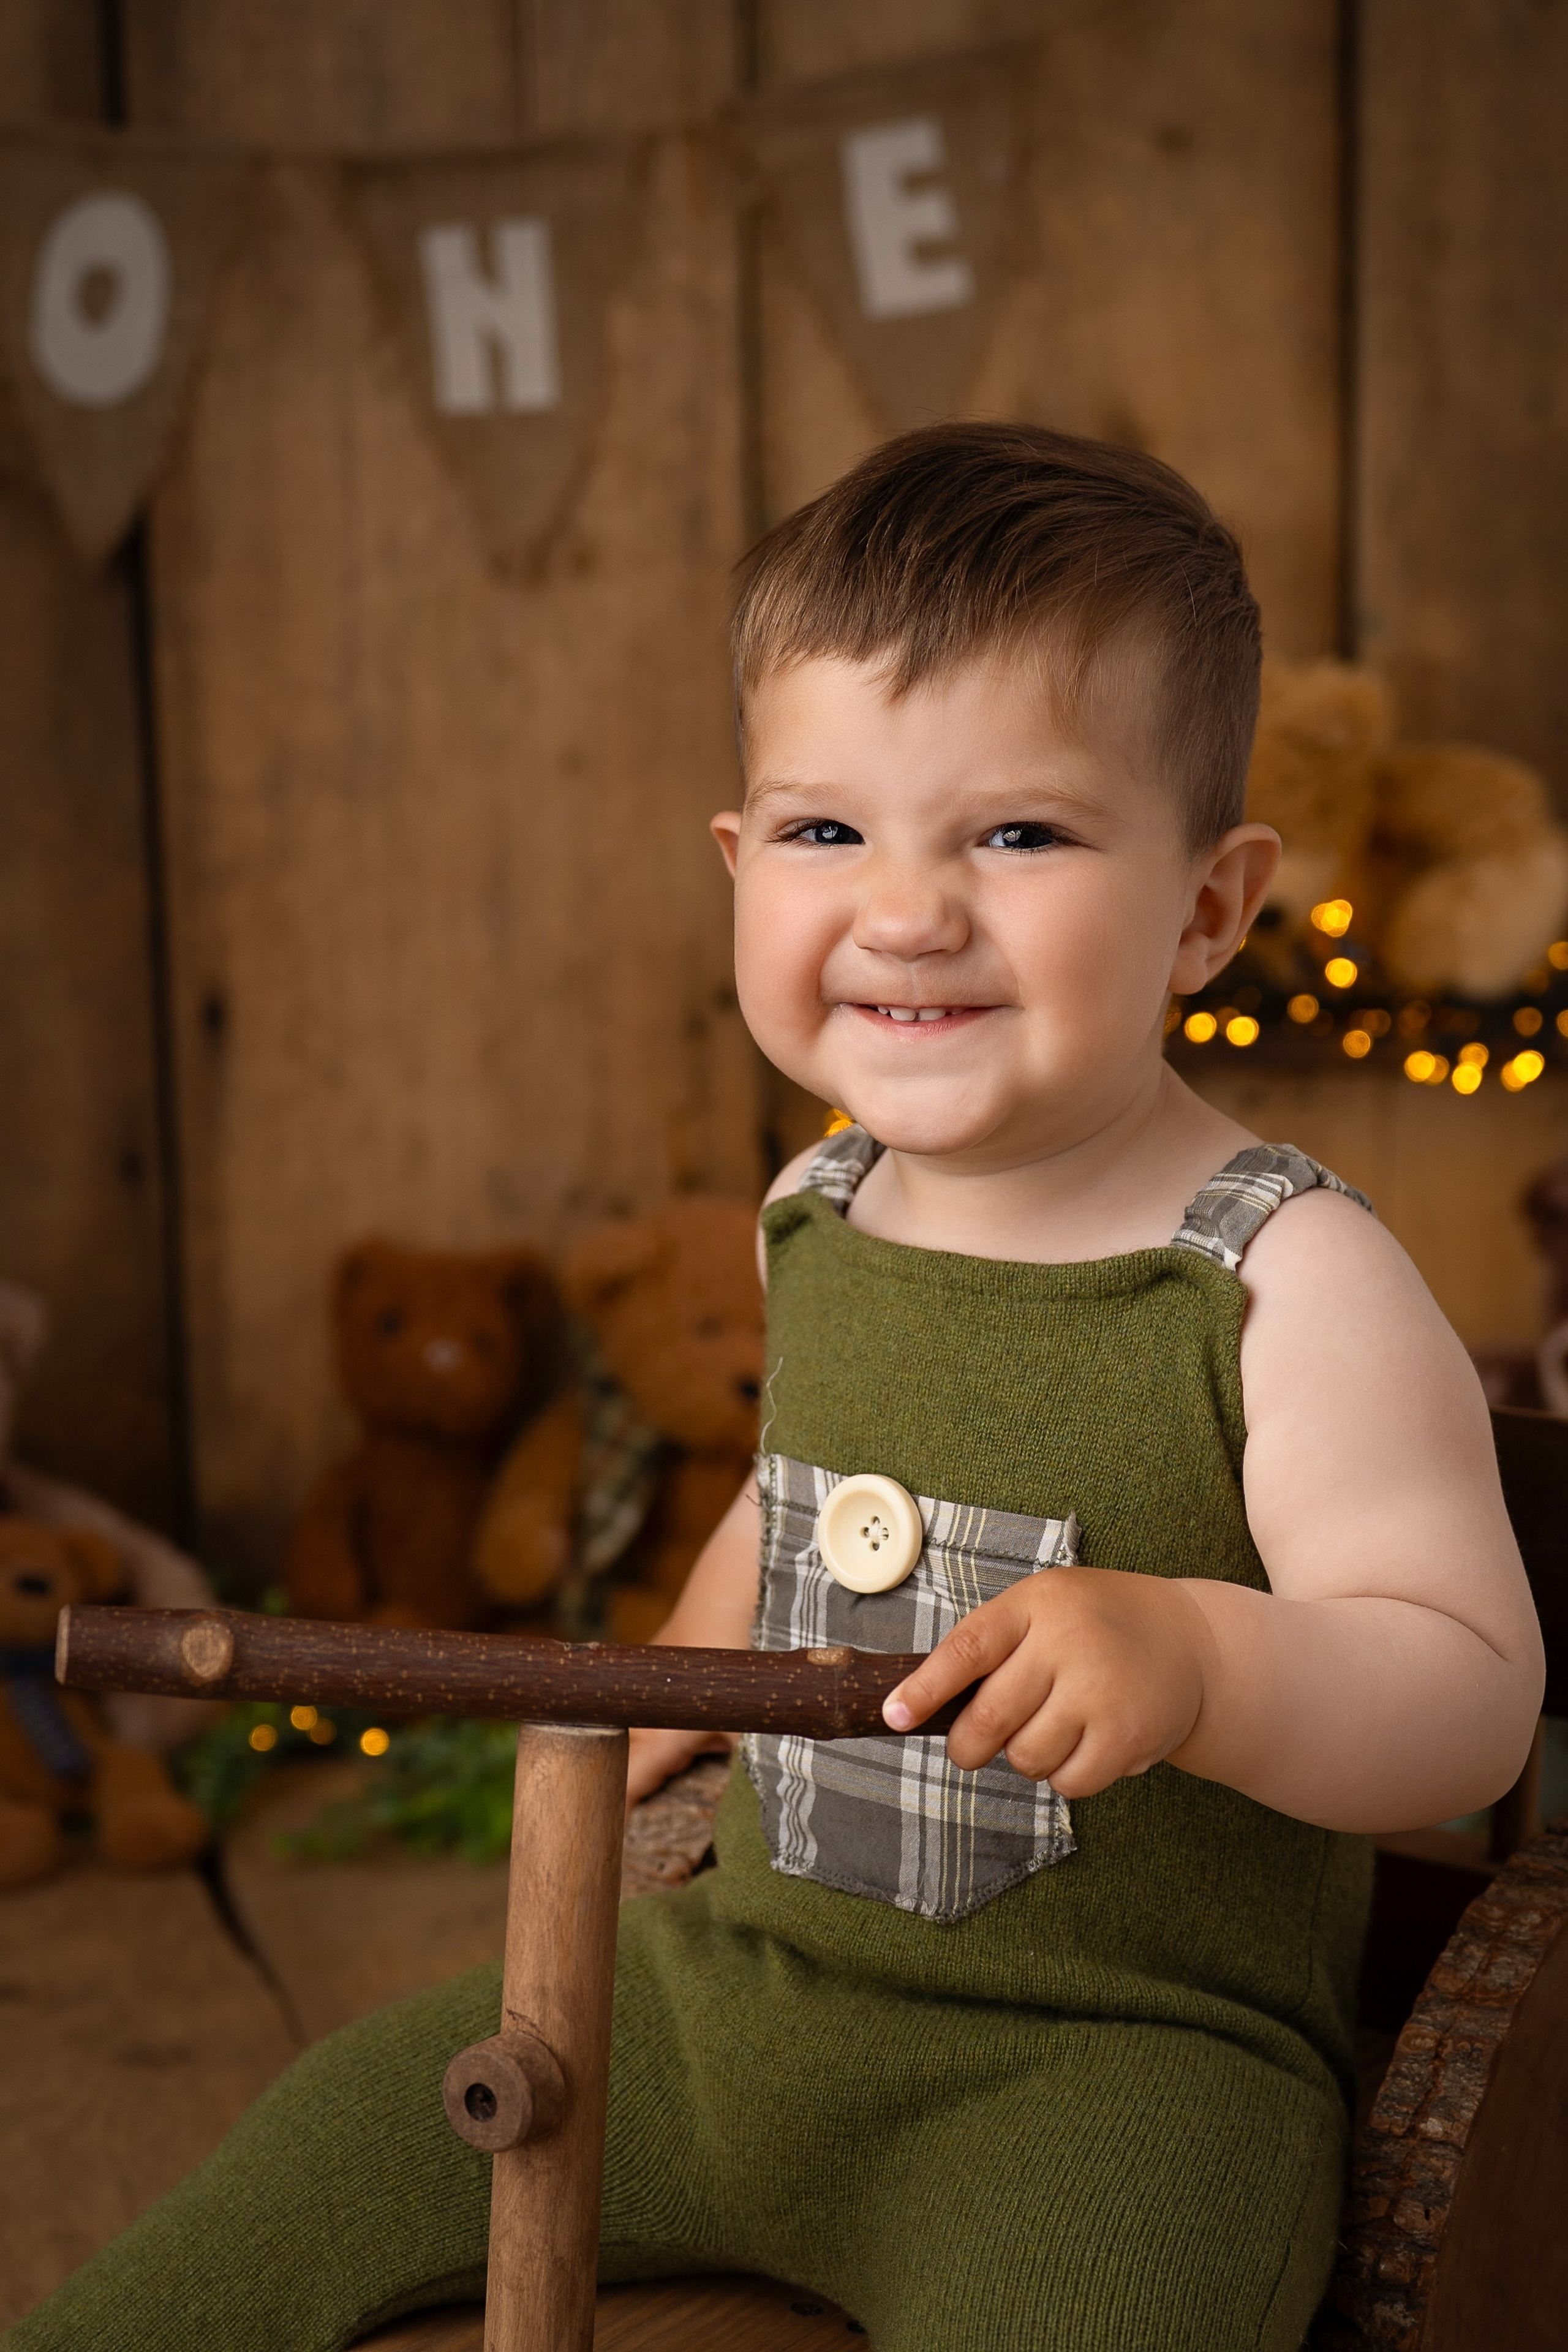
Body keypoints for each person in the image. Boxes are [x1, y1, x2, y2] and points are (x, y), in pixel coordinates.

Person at [9, 424, 1542, 2352]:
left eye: (1021, 833)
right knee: (337, 2137)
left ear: (1210, 908)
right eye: (829, 831)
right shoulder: (814, 1210)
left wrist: (1208, 1659)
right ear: (742, 862)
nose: (905, 910)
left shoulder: (1280, 1279)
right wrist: (666, 1665)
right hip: (748, 1994)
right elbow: (798, 1496)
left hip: (1120, 2075)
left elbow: (1472, 1695)